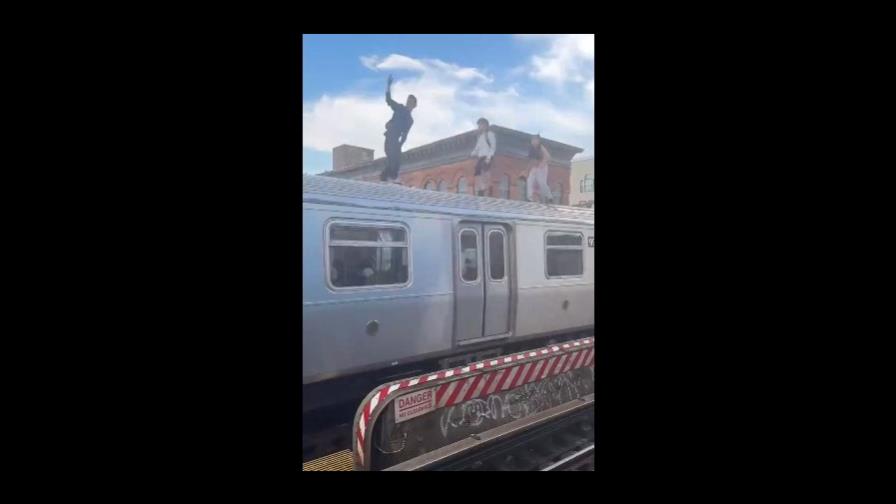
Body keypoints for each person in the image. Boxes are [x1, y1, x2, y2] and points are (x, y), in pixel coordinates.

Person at [380, 74, 416, 184]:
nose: (409, 104)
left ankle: (385, 177)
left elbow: (405, 135)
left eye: (411, 103)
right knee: (393, 157)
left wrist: (400, 146)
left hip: (395, 140)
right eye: (408, 102)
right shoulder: (400, 108)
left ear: (414, 106)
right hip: (391, 135)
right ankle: (391, 176)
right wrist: (388, 86)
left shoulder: (410, 120)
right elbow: (389, 100)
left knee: (396, 159)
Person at [470, 118, 496, 196]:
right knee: (477, 173)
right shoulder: (480, 137)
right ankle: (481, 188)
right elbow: (477, 148)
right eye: (478, 126)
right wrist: (472, 153)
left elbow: (493, 147)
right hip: (480, 157)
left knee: (485, 172)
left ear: (485, 125)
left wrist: (489, 157)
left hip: (487, 156)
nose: (479, 127)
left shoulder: (490, 134)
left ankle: (487, 188)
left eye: (480, 125)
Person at [526, 134, 553, 204]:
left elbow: (548, 157)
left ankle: (549, 196)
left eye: (535, 140)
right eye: (532, 140)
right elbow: (531, 160)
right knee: (530, 180)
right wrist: (530, 169)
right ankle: (530, 197)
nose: (534, 142)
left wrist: (542, 164)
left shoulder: (541, 147)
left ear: (538, 141)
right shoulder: (531, 149)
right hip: (535, 166)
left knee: (542, 182)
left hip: (543, 166)